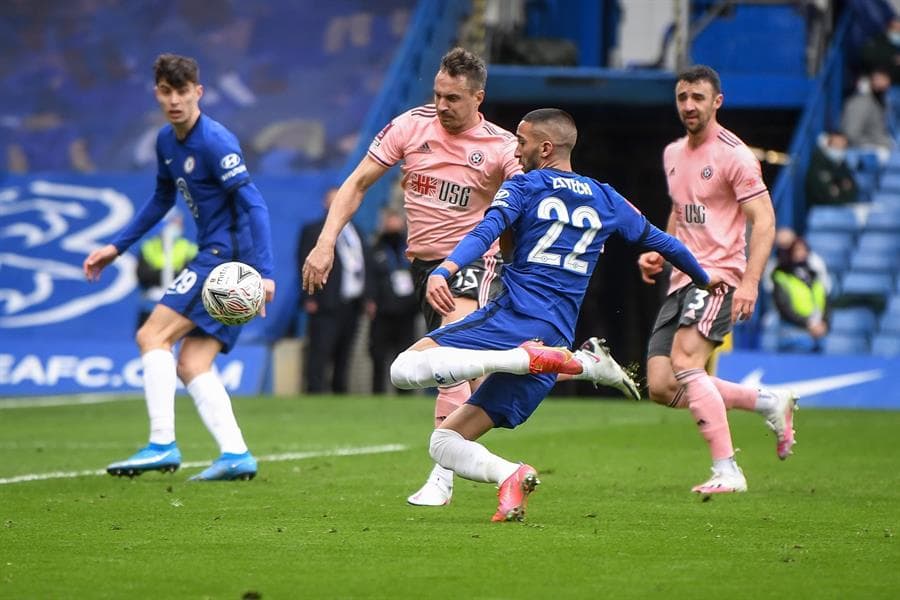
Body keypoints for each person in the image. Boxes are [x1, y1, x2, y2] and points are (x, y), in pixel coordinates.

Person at [302, 47, 639, 507]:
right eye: (439, 94)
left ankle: (441, 479)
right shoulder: (409, 126)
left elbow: (536, 203)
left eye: (454, 98)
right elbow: (358, 183)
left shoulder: (502, 148)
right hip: (424, 267)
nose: (443, 105)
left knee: (449, 357)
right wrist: (325, 244)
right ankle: (582, 364)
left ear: (478, 97)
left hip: (470, 267)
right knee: (484, 376)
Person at [388, 108, 718, 522]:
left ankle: (526, 360)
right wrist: (704, 279)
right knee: (445, 442)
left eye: (522, 141)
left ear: (544, 148)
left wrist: (445, 269)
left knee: (403, 369)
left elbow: (485, 231)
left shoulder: (524, 186)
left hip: (513, 319)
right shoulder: (605, 197)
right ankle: (512, 474)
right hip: (557, 335)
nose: (516, 148)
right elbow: (664, 241)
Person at [83, 53, 275, 481]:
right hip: (218, 257)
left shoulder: (215, 141)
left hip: (223, 261)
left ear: (198, 92)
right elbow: (160, 200)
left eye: (183, 91)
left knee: (151, 335)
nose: (175, 100)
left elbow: (254, 204)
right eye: (167, 92)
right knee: (192, 364)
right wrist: (117, 247)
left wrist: (264, 273)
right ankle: (235, 453)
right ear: (157, 94)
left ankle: (161, 443)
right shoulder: (166, 143)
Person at [637, 65, 796, 495]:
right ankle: (767, 401)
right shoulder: (673, 154)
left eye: (698, 98)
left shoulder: (735, 155)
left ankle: (728, 470)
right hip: (681, 280)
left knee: (688, 365)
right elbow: (680, 211)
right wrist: (661, 250)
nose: (689, 106)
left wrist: (749, 283)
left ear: (717, 102)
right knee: (660, 384)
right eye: (682, 98)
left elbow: (763, 220)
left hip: (717, 278)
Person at [297, 187, 366, 393]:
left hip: (352, 301)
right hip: (325, 302)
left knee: (345, 350)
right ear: (326, 204)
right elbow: (303, 263)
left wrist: (369, 296)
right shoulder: (313, 230)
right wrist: (309, 296)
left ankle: (340, 390)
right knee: (320, 349)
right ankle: (315, 390)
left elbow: (365, 264)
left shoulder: (357, 231)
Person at [365, 206, 419, 394]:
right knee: (378, 354)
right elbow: (369, 276)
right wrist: (369, 300)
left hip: (407, 310)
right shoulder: (376, 248)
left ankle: (405, 393)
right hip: (382, 310)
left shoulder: (411, 248)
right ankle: (378, 391)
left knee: (406, 354)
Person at [135, 209, 198, 329]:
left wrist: (163, 274)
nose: (176, 226)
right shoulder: (148, 247)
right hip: (152, 300)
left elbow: (189, 276)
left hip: (180, 302)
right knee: (146, 336)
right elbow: (143, 275)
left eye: (179, 223)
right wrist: (168, 274)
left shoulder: (189, 248)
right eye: (173, 222)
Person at [771, 234, 830, 351]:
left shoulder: (814, 275)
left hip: (817, 331)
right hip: (793, 331)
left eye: (804, 249)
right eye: (797, 250)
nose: (801, 253)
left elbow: (826, 301)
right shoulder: (781, 276)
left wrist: (824, 323)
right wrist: (808, 323)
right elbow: (784, 307)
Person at [840, 67, 894, 164]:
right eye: (878, 80)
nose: (883, 84)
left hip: (878, 147)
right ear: (870, 81)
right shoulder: (860, 102)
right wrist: (876, 144)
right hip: (861, 151)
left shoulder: (879, 102)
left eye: (885, 80)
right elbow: (851, 134)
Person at [804, 131, 860, 206]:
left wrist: (838, 191)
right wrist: (842, 189)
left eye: (843, 147)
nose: (839, 150)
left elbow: (853, 190)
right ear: (827, 145)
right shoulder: (818, 164)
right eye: (836, 145)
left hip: (844, 210)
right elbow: (824, 195)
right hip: (822, 213)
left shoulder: (842, 164)